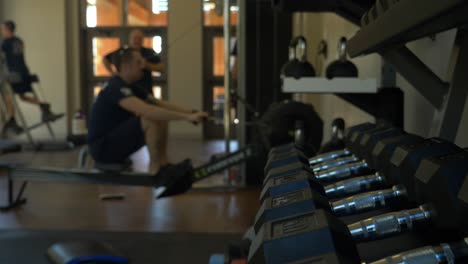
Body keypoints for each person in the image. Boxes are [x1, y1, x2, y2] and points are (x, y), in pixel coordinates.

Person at [88, 48, 208, 175]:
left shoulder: (130, 85)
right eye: (139, 63)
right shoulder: (115, 87)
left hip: (114, 142)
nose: (144, 66)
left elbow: (159, 103)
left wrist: (191, 112)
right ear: (125, 66)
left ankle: (163, 164)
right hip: (102, 149)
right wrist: (187, 118)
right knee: (150, 118)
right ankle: (155, 170)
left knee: (160, 115)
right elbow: (147, 111)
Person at [0, 20, 62, 136]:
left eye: (2, 28)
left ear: (7, 29)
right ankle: (44, 105)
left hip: (15, 74)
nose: (1, 30)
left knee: (8, 96)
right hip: (24, 72)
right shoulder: (19, 41)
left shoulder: (6, 42)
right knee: (22, 96)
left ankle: (12, 120)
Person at [103, 29, 164, 95]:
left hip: (145, 87)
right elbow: (106, 59)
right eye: (135, 38)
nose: (137, 41)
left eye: (139, 38)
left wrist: (146, 65)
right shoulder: (123, 52)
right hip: (128, 87)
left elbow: (161, 68)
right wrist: (113, 73)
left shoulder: (148, 52)